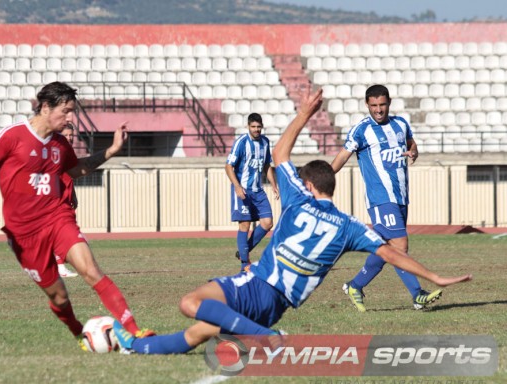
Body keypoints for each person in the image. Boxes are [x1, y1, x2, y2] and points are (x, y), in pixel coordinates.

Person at [110, 88, 472, 355]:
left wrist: (303, 115)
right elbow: (392, 254)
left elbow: (279, 152)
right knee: (202, 329)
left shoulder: (297, 200)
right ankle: (137, 347)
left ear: (308, 184)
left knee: (190, 303)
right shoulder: (349, 226)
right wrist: (436, 276)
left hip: (257, 284)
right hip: (278, 303)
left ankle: (267, 339)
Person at [0, 82, 153, 351]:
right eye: (65, 112)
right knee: (59, 296)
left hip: (58, 217)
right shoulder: (12, 136)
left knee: (91, 271)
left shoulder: (59, 144)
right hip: (24, 233)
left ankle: (136, 330)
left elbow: (77, 170)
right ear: (45, 107)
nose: (70, 118)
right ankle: (79, 332)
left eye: (72, 112)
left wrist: (112, 151)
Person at [331, 84, 439, 312]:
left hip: (401, 196)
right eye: (374, 106)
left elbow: (411, 142)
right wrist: (324, 181)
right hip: (381, 198)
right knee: (400, 245)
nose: (378, 110)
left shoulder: (400, 124)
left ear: (389, 103)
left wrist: (414, 152)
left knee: (385, 248)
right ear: (367, 105)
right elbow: (341, 157)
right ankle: (417, 295)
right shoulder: (361, 130)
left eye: (382, 105)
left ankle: (355, 285)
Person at [225, 113, 279, 272]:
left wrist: (274, 185)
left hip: (258, 190)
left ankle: (243, 251)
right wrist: (236, 186)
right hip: (243, 190)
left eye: (258, 127)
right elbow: (228, 166)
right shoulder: (241, 142)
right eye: (253, 127)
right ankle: (244, 264)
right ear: (248, 127)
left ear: (262, 127)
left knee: (268, 223)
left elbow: (267, 165)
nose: (256, 130)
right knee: (245, 225)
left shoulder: (265, 142)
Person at [56, 123, 79, 278]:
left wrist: (74, 195)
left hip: (67, 197)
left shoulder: (68, 151)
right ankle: (60, 267)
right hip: (57, 199)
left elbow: (70, 176)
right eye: (66, 135)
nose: (69, 138)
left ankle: (58, 265)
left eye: (71, 135)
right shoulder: (56, 151)